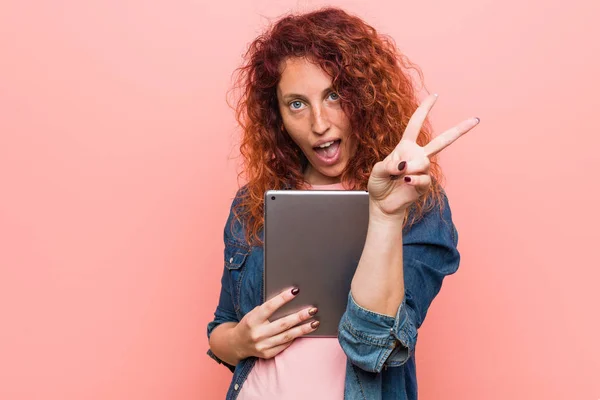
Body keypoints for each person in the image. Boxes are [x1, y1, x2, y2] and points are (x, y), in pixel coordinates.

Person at [206, 7, 479, 400]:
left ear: (364, 97)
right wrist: (243, 342)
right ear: (277, 116)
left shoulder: (417, 206)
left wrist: (385, 215)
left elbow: (373, 346)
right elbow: (221, 329)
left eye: (333, 96)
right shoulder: (254, 203)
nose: (319, 123)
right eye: (296, 104)